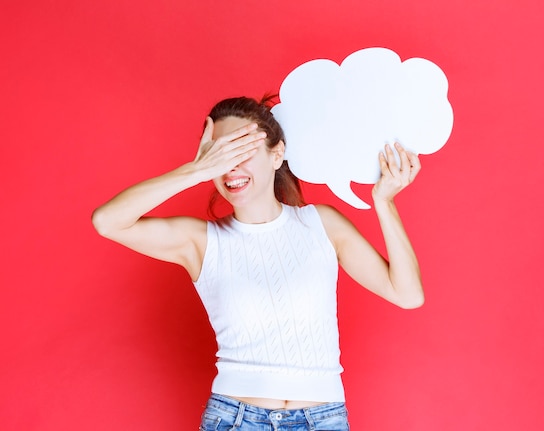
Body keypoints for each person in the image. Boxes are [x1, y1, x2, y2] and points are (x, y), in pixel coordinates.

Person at [92, 95, 424, 431]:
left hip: (322, 419)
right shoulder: (202, 242)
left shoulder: (322, 224)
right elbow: (107, 221)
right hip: (236, 419)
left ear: (276, 154)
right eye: (220, 155)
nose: (230, 167)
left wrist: (384, 202)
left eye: (242, 151)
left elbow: (408, 294)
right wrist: (197, 169)